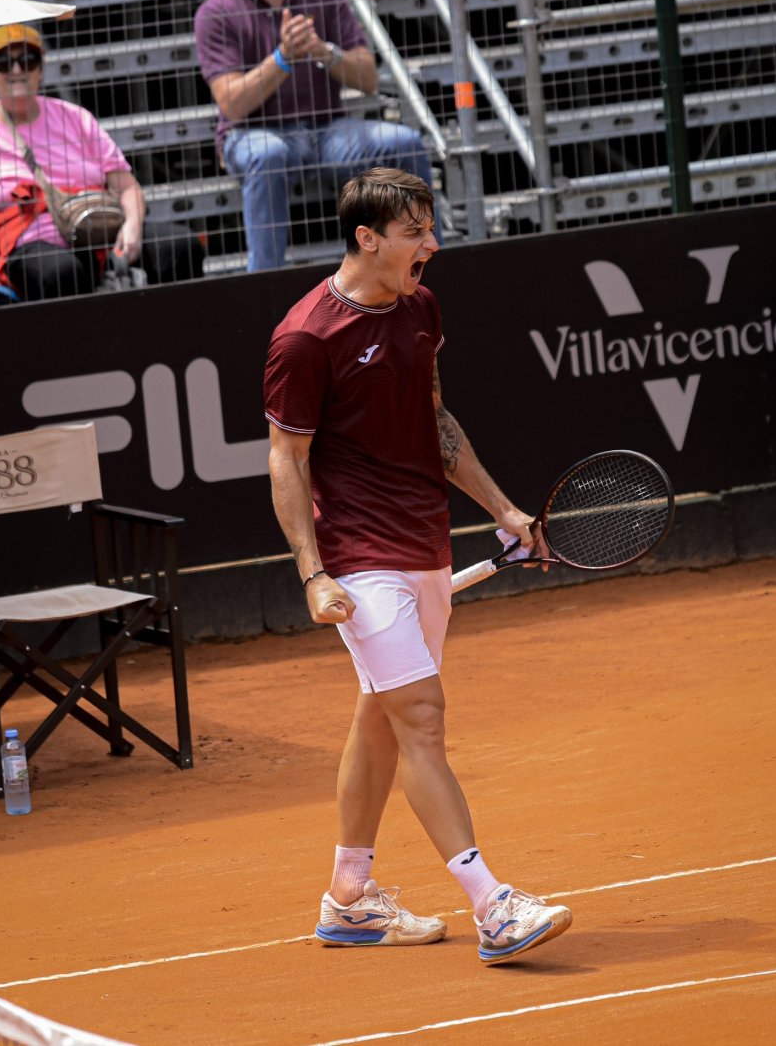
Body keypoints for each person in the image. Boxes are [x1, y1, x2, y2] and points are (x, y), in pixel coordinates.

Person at [264, 167, 573, 965]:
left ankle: (349, 898)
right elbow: (286, 461)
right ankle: (493, 905)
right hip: (359, 559)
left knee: (383, 719)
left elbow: (434, 423)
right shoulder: (306, 336)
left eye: (431, 228)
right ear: (367, 238)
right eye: (414, 232)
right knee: (423, 719)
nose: (431, 244)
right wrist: (313, 572)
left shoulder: (421, 308)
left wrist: (501, 508)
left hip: (425, 544)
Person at [194, 0, 437, 273]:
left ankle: (425, 265)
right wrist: (283, 57)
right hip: (252, 133)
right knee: (267, 153)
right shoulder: (216, 13)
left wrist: (324, 51)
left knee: (405, 141)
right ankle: (263, 282)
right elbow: (232, 104)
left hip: (328, 130)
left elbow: (368, 79)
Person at [0, 23, 205, 304]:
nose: (17, 71)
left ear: (40, 68)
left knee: (180, 245)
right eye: (3, 62)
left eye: (28, 59)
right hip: (28, 241)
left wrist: (132, 225)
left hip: (98, 227)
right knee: (60, 272)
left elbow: (126, 185)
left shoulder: (74, 117)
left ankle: (181, 340)